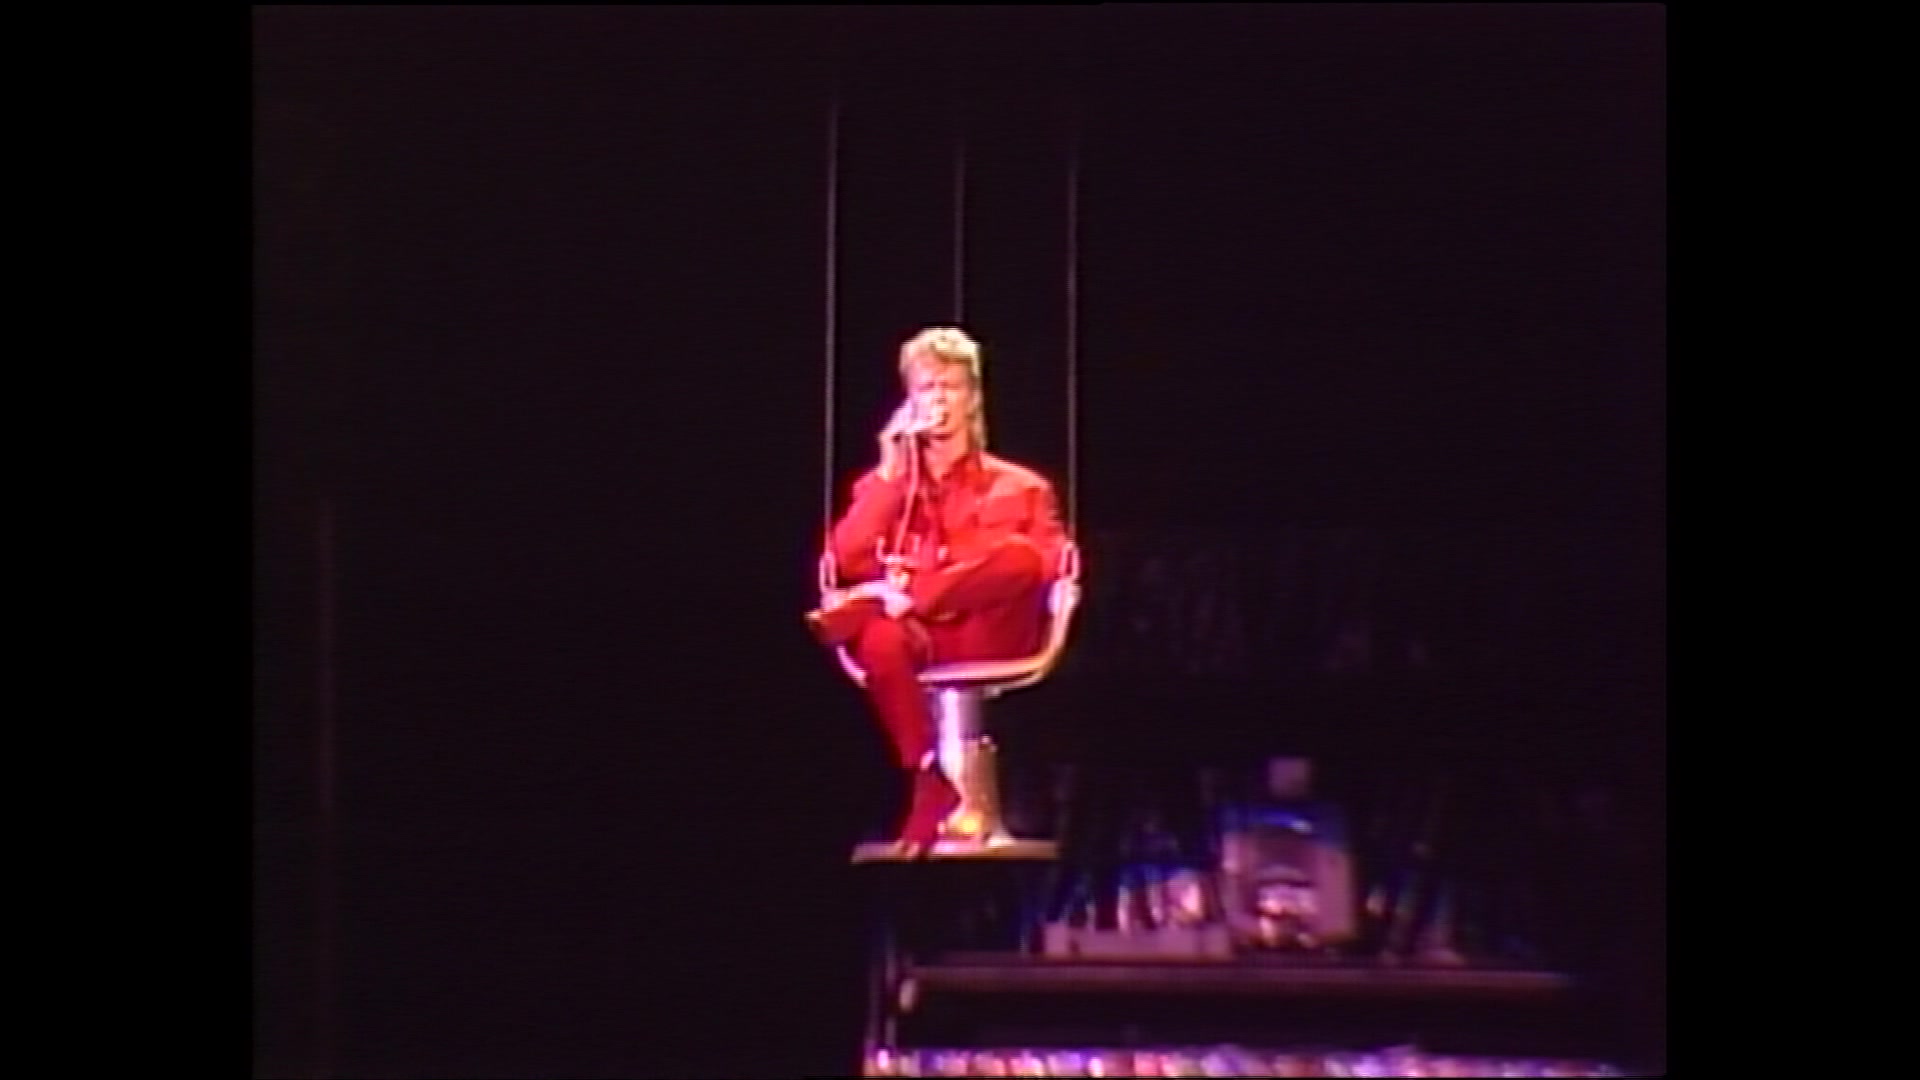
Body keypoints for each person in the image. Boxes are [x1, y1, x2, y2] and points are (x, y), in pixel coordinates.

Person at [808, 327, 1070, 856]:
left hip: (992, 631)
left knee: (1018, 554)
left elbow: (1044, 564)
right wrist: (890, 470)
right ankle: (927, 778)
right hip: (920, 637)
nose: (939, 401)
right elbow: (846, 558)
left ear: (972, 398)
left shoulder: (1022, 486)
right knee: (880, 638)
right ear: (909, 402)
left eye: (951, 387)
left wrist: (922, 593)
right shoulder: (885, 487)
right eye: (927, 388)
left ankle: (886, 601)